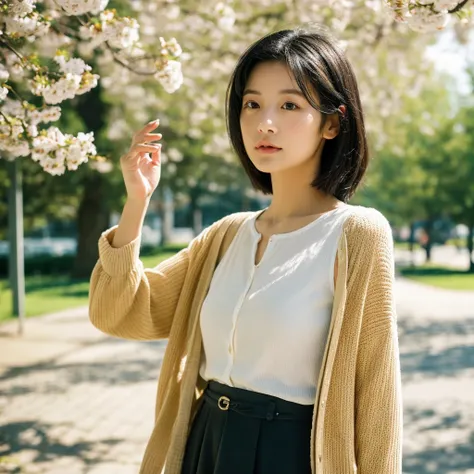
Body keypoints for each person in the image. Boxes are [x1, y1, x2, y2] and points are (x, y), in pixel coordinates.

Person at [89, 25, 403, 474]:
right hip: (206, 448)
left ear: (332, 123)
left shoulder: (357, 234)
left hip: (292, 454)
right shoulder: (227, 236)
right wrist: (136, 204)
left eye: (289, 105)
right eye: (252, 103)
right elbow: (120, 313)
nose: (264, 122)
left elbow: (376, 392)